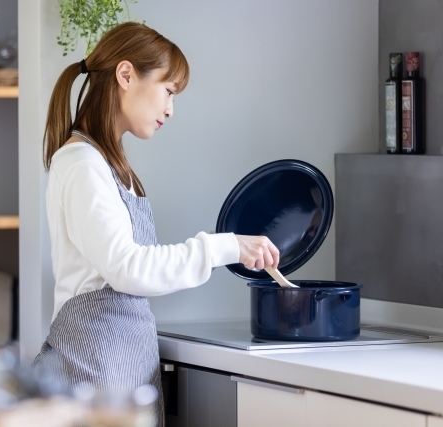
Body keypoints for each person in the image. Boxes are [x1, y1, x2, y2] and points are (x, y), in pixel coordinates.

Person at [34, 21, 280, 425]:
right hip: (93, 378)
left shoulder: (111, 168)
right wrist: (226, 246)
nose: (170, 108)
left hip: (118, 373)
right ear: (126, 75)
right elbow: (129, 269)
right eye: (168, 90)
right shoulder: (81, 164)